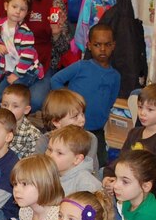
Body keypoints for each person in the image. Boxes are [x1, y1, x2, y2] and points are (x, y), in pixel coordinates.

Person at [51, 23, 121, 168]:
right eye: (97, 45)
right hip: (72, 129)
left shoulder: (115, 76)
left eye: (107, 45)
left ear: (114, 45)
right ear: (89, 45)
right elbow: (55, 80)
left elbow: (111, 100)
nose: (102, 49)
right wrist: (68, 102)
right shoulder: (81, 66)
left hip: (97, 131)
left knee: (99, 165)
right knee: (67, 161)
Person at [104, 83, 156, 185]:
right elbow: (122, 159)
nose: (142, 113)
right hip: (125, 178)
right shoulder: (134, 132)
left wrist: (122, 182)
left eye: (150, 109)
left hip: (143, 185)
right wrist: (109, 175)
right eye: (140, 107)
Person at [0, 0, 44, 111]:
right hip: (10, 70)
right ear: (6, 6)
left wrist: (16, 75)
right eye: (14, 6)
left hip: (27, 71)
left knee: (12, 99)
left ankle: (9, 120)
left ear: (27, 13)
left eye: (22, 9)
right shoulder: (0, 25)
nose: (18, 11)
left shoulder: (26, 32)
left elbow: (27, 58)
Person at [36, 89, 98, 172]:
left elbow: (89, 171)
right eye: (75, 116)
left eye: (82, 114)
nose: (82, 120)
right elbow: (36, 170)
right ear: (57, 122)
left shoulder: (90, 139)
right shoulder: (44, 140)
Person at [45, 125, 101, 195]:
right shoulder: (47, 172)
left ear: (77, 159)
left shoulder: (87, 186)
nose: (51, 156)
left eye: (59, 153)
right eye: (50, 149)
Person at [1, 83, 41, 158]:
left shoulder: (32, 135)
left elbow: (33, 163)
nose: (8, 110)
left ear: (26, 110)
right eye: (5, 105)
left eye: (15, 106)